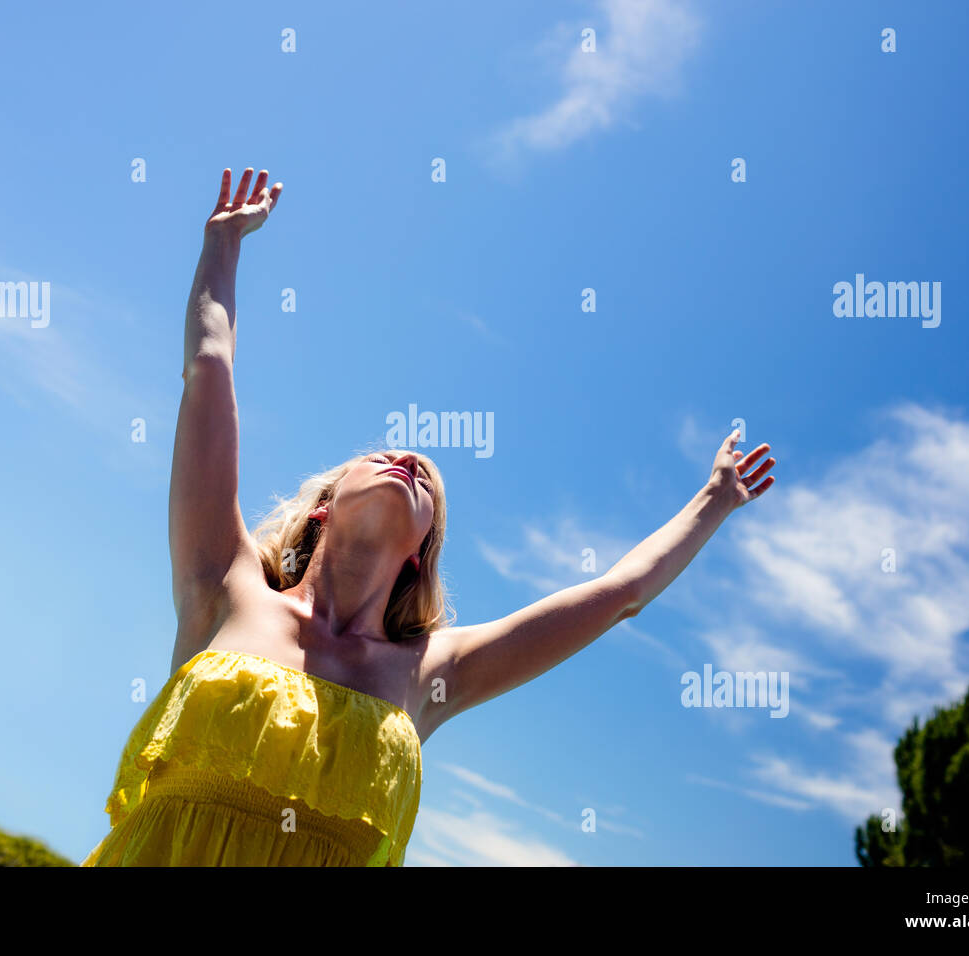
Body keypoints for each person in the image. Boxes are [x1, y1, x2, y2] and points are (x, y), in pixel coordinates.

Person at [82, 167, 776, 866]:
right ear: (324, 504)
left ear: (421, 550)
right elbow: (209, 367)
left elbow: (620, 595)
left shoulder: (430, 673)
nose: (410, 461)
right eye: (386, 455)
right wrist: (224, 245)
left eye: (428, 484)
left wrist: (714, 500)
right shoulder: (223, 585)